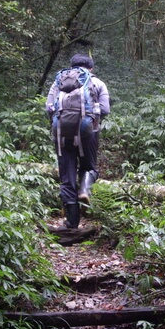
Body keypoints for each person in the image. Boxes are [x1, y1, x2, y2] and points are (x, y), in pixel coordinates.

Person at [46, 53, 110, 229]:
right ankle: (84, 190)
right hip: (88, 132)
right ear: (91, 68)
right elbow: (105, 109)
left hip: (61, 134)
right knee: (89, 167)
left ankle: (71, 223)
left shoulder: (58, 81)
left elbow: (49, 107)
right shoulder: (97, 83)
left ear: (72, 66)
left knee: (67, 176)